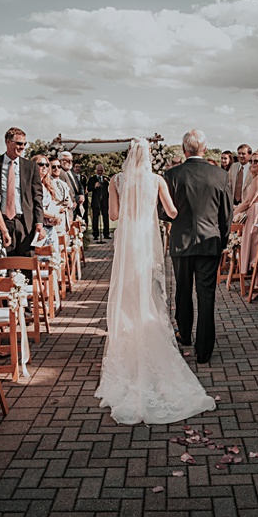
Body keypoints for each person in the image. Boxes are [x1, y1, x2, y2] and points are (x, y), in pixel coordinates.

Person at [95, 138, 216, 424]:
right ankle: (149, 337)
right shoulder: (157, 179)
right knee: (148, 291)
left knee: (126, 291)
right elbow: (172, 213)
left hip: (126, 240)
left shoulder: (116, 179)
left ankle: (127, 346)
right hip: (147, 241)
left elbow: (113, 215)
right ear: (149, 156)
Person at [163, 129, 233, 365]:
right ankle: (204, 350)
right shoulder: (220, 175)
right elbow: (227, 214)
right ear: (205, 148)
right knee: (206, 295)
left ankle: (184, 335)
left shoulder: (171, 175)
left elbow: (164, 211)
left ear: (184, 150)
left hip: (181, 242)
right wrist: (222, 241)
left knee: (182, 290)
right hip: (210, 242)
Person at [0, 128, 44, 256]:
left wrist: (39, 222)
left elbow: (37, 196)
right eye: (19, 143)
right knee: (3, 265)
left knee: (25, 264)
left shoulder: (30, 167)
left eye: (24, 144)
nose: (22, 147)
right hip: (2, 222)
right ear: (8, 142)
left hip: (24, 223)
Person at [234, 150, 258, 275]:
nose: (252, 164)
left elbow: (248, 201)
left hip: (255, 211)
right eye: (251, 161)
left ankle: (255, 282)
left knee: (254, 245)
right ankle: (256, 283)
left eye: (256, 161)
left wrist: (233, 214)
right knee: (256, 246)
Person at [87, 163, 110, 242]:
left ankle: (106, 234)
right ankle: (95, 234)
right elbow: (89, 188)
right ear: (96, 171)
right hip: (96, 202)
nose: (100, 172)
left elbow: (110, 189)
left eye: (101, 170)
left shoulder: (106, 179)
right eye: (99, 170)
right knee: (95, 219)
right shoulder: (92, 179)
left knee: (106, 218)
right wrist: (94, 186)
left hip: (104, 202)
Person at [228, 144, 252, 210]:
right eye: (239, 153)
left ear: (249, 155)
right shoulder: (233, 166)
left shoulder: (253, 168)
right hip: (232, 204)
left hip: (247, 206)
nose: (240, 156)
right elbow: (229, 185)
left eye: (243, 154)